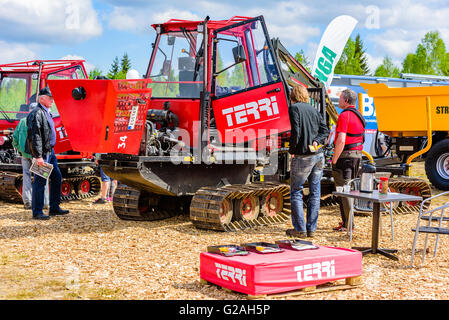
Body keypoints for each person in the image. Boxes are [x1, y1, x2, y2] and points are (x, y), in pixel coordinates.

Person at [286, 85, 329, 238]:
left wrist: (292, 150)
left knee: (296, 191)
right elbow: (325, 131)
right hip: (318, 155)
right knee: (315, 192)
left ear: (293, 95)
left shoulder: (294, 108)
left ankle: (299, 229)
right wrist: (317, 140)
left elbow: (296, 132)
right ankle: (311, 229)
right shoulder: (314, 110)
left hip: (302, 156)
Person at [25, 86, 69, 220]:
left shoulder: (46, 112)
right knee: (40, 181)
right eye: (50, 98)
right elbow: (35, 136)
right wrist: (38, 156)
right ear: (42, 98)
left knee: (56, 177)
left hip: (50, 152)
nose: (52, 100)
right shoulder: (37, 113)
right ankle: (37, 212)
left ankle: (54, 207)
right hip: (43, 154)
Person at [332, 88, 366, 232]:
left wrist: (334, 159)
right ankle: (346, 222)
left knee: (343, 190)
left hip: (345, 157)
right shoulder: (359, 115)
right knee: (348, 189)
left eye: (340, 98)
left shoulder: (344, 115)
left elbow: (341, 140)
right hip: (357, 156)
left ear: (346, 101)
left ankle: (349, 225)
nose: (338, 100)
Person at [12, 115, 49, 210]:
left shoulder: (22, 121)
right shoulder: (40, 120)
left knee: (26, 177)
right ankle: (45, 203)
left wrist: (21, 150)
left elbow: (14, 138)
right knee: (42, 177)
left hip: (25, 155)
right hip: (37, 156)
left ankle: (27, 202)